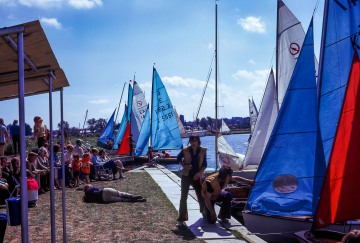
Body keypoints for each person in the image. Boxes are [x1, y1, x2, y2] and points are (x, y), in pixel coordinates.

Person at [176, 135, 207, 227]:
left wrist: (199, 173)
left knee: (201, 194)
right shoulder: (185, 150)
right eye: (192, 141)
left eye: (195, 140)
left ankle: (203, 212)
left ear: (198, 141)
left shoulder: (203, 150)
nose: (193, 143)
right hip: (186, 175)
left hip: (196, 176)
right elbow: (178, 158)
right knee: (183, 197)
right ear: (190, 141)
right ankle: (181, 219)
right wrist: (183, 165)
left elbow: (205, 164)